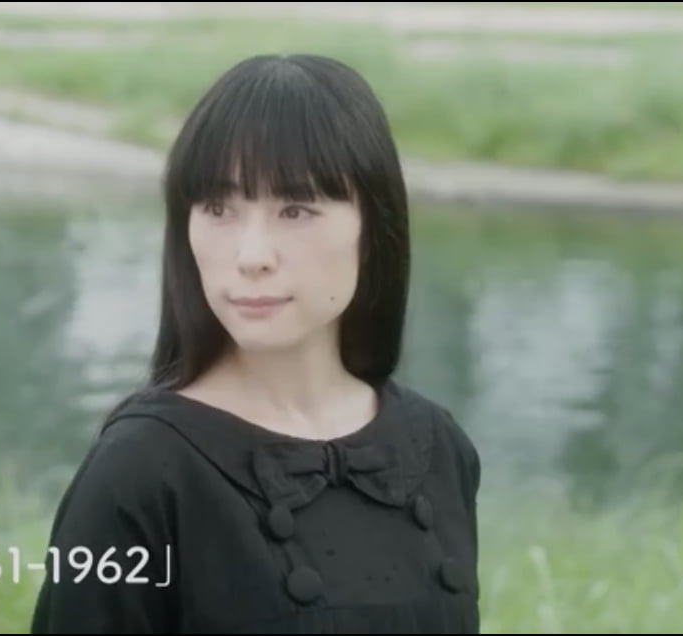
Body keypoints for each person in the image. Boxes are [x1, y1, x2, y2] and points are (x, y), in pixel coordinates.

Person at [29, 53, 482, 634]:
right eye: (218, 209)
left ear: (373, 228)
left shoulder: (437, 446)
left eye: (295, 209)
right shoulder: (140, 471)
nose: (251, 256)